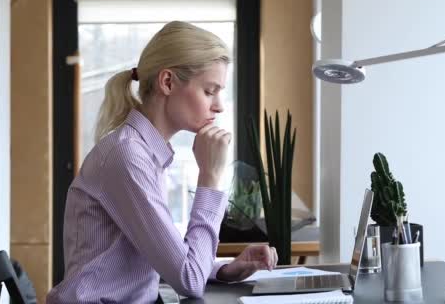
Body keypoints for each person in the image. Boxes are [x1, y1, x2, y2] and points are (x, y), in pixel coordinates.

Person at [46, 21, 278, 304]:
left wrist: (226, 269)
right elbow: (189, 280)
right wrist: (210, 177)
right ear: (167, 82)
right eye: (209, 91)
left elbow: (170, 259)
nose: (219, 105)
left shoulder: (146, 153)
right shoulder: (128, 157)